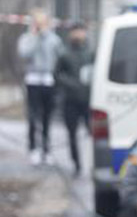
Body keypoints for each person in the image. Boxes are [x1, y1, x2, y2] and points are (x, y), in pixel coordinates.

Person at [17, 9, 64, 166]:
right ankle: (33, 149)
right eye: (37, 23)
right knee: (33, 116)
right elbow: (25, 53)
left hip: (48, 80)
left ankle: (46, 149)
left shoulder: (53, 39)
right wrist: (36, 38)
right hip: (33, 80)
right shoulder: (27, 38)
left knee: (46, 117)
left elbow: (59, 56)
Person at [55, 22, 93, 177]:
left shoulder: (91, 52)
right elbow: (57, 75)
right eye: (75, 31)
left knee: (94, 134)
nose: (78, 34)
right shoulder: (64, 53)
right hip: (70, 100)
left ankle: (93, 164)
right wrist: (71, 84)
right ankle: (76, 164)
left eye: (81, 31)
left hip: (89, 100)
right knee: (72, 134)